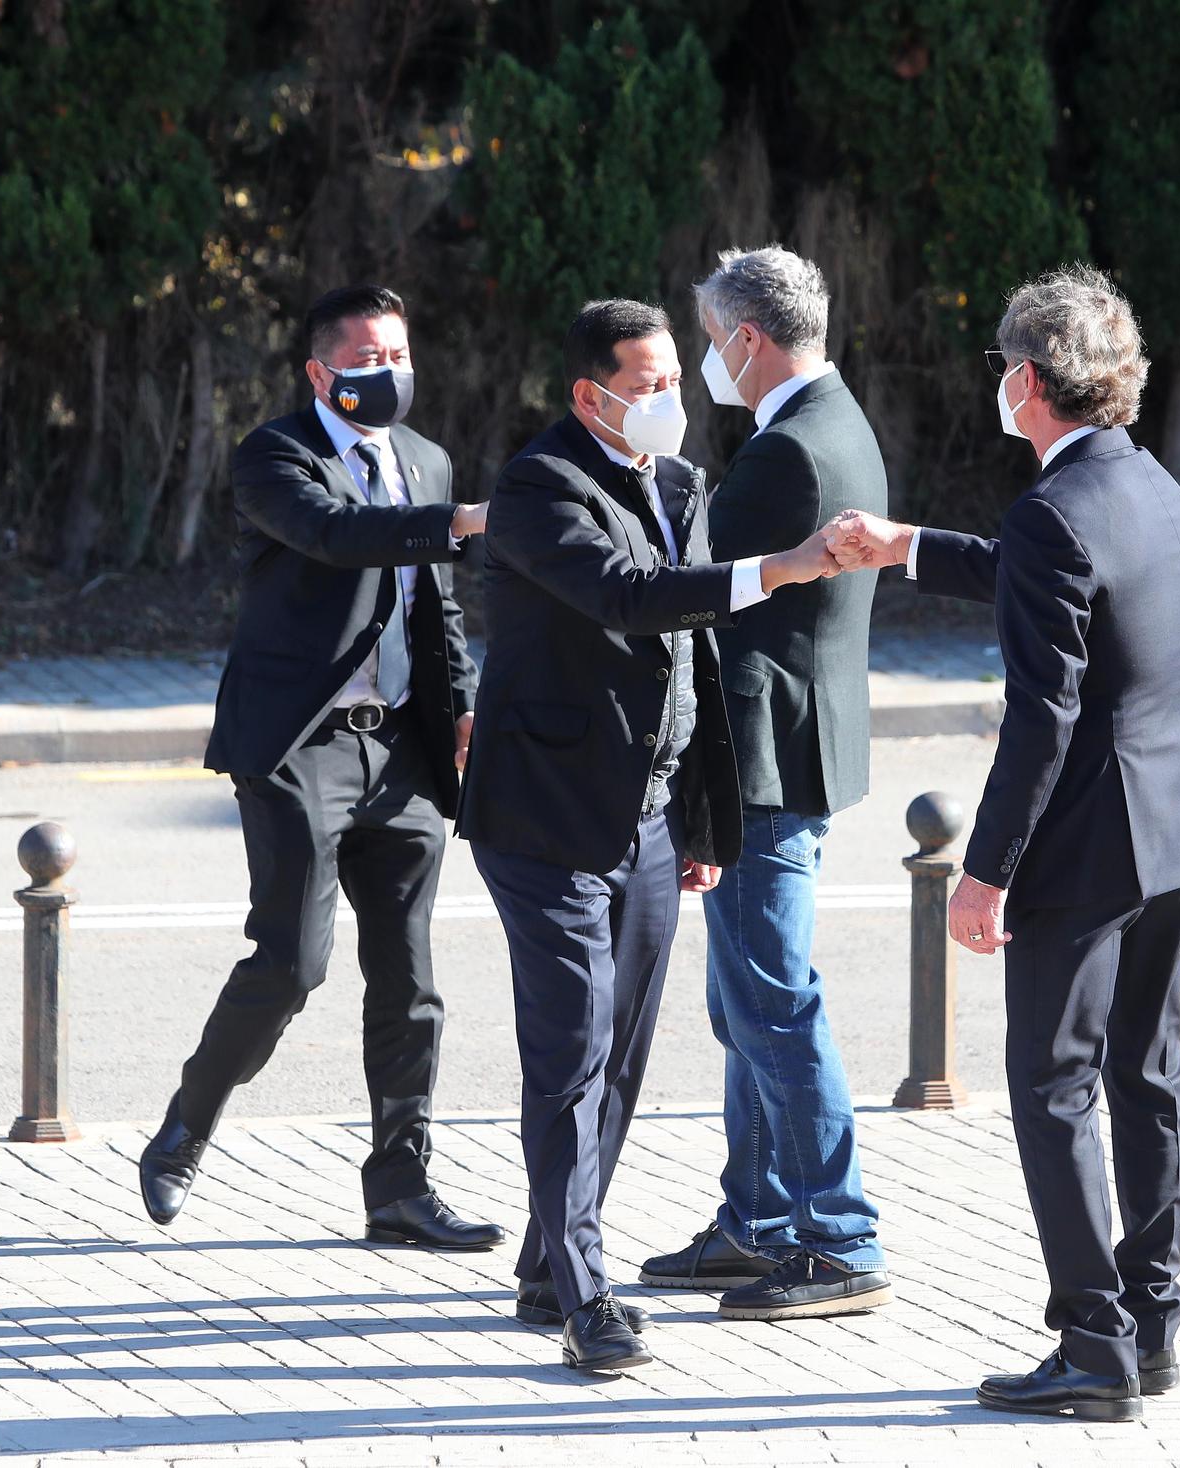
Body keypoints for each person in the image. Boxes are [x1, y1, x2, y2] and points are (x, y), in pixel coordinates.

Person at [829, 264, 1180, 1421]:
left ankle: (1090, 1346)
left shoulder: (1052, 512)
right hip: (1173, 830)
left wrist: (984, 871)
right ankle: (1149, 1322)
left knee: (1051, 1086)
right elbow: (1044, 579)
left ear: (1022, 381)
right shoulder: (1146, 484)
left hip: (1086, 848)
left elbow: (1041, 715)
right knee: (1145, 1072)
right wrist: (904, 545)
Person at [459, 298, 839, 1373]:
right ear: (590, 394)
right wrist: (776, 568)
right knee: (570, 1052)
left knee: (620, 1054)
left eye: (675, 375)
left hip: (654, 818)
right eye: (648, 382)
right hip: (545, 819)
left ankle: (546, 1257)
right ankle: (584, 1295)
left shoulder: (680, 484)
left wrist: (703, 816)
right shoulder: (539, 488)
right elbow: (626, 598)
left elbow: (694, 663)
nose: (670, 396)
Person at [139, 285, 502, 1253]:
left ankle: (400, 1184)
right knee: (291, 963)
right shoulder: (274, 457)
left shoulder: (422, 459)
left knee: (411, 977)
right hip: (299, 742)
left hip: (402, 748)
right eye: (366, 360)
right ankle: (185, 1127)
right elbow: (340, 538)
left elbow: (437, 610)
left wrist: (460, 704)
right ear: (318, 373)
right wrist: (456, 520)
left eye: (398, 354)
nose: (388, 374)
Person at [638, 247, 891, 1320]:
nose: (702, 359)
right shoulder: (830, 419)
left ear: (744, 338)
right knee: (746, 999)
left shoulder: (785, 452)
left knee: (772, 1001)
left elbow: (695, 591)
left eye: (707, 335)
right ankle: (756, 1218)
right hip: (796, 745)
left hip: (765, 762)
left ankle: (835, 1235)